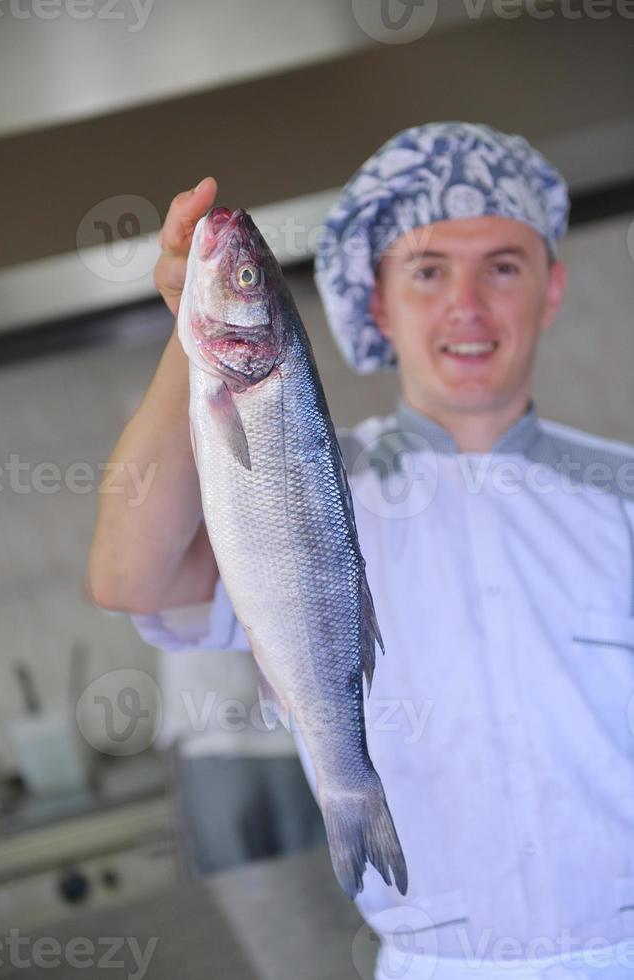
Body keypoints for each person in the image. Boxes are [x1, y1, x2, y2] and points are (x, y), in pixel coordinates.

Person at [88, 122, 634, 979]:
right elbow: (129, 576)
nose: (466, 306)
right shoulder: (312, 484)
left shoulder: (624, 495)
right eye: (426, 271)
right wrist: (186, 322)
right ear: (375, 299)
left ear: (550, 289)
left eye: (502, 265)